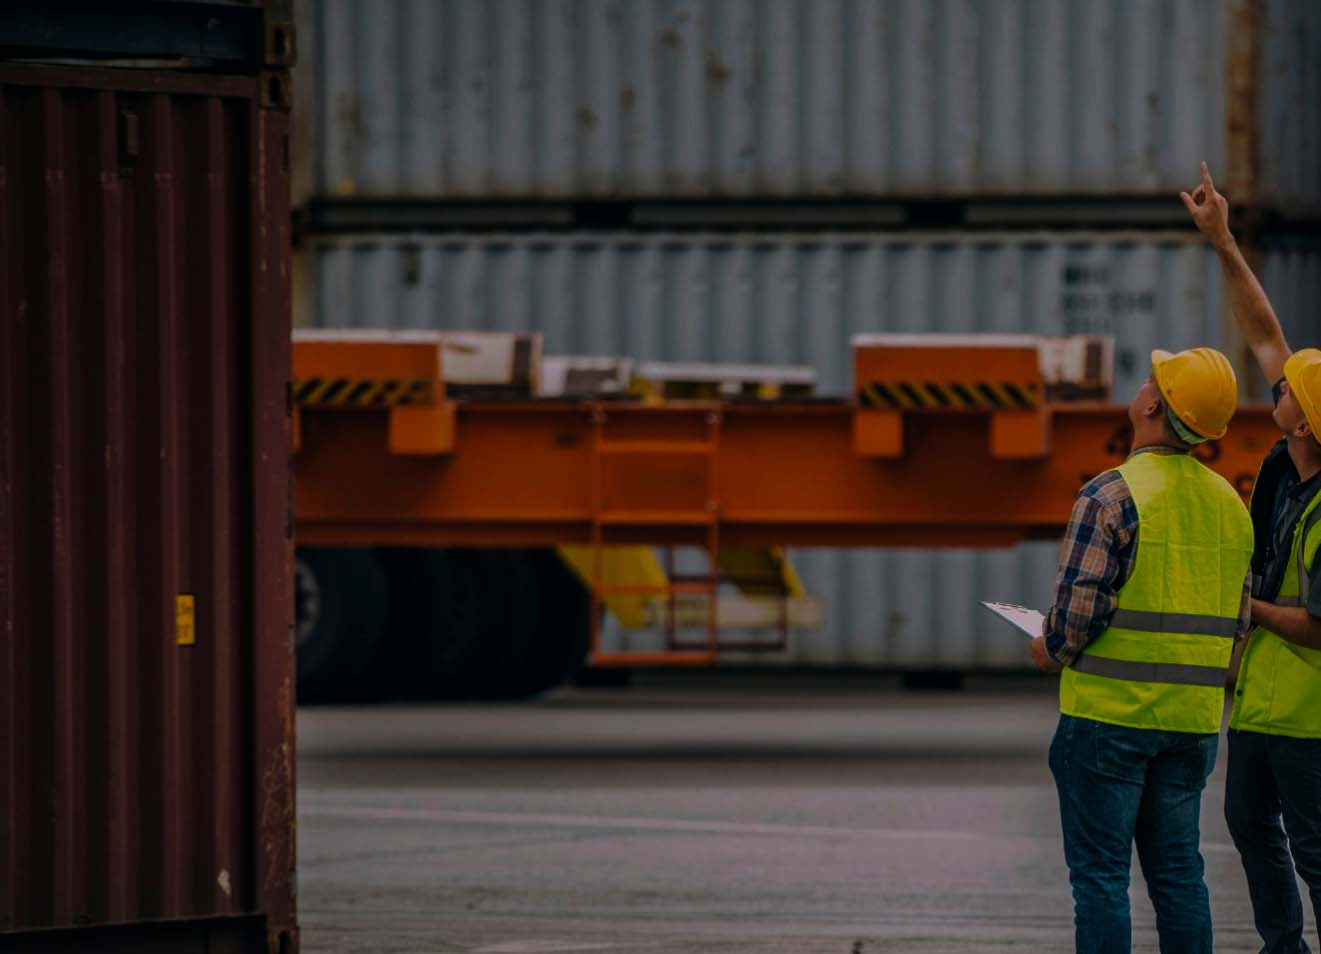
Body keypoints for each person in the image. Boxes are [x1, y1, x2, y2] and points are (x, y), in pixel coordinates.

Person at [1029, 346, 1254, 954]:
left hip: (1109, 719)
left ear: (1153, 403)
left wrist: (1046, 647)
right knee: (1180, 875)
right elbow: (1238, 624)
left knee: (1101, 879)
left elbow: (1075, 618)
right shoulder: (1233, 506)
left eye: (1150, 379)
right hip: (1192, 725)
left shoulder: (1109, 496)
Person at [1184, 161, 1321, 954]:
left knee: (1312, 850)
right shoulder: (1287, 461)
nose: (1277, 380)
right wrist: (1223, 240)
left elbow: (1317, 625)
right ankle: (1281, 947)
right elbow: (1265, 331)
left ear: (1305, 423)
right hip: (1263, 708)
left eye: (1290, 389)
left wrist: (1245, 609)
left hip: (1307, 715)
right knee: (1248, 827)